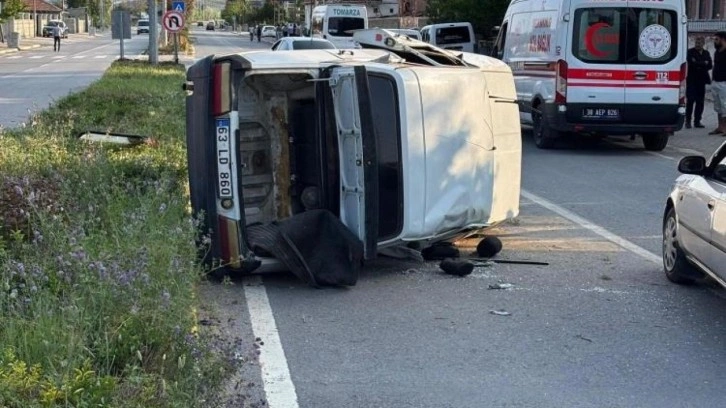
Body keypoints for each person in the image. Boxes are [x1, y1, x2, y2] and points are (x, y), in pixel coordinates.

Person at [686, 37, 712, 129]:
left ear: (703, 43)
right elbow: (692, 63)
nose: (698, 44)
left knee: (700, 102)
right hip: (692, 80)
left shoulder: (706, 53)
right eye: (696, 42)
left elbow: (710, 65)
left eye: (700, 42)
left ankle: (697, 121)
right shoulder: (690, 52)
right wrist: (703, 63)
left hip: (702, 80)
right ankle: (688, 121)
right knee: (690, 100)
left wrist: (699, 63)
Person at [711, 31, 726, 135]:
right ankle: (720, 127)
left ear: (723, 39)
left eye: (717, 39)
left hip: (724, 83)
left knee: (725, 106)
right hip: (715, 81)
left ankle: (725, 128)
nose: (715, 41)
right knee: (718, 106)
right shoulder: (717, 52)